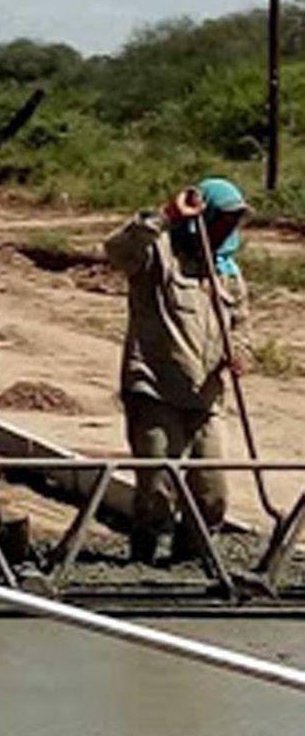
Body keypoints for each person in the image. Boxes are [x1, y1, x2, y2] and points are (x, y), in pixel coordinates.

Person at [105, 178, 250, 566]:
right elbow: (117, 251)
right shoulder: (157, 256)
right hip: (154, 388)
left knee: (212, 490)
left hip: (207, 396)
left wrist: (240, 354)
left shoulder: (227, 273)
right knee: (157, 487)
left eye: (232, 224)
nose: (226, 231)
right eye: (221, 221)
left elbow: (241, 326)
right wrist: (167, 215)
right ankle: (144, 555)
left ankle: (192, 556)